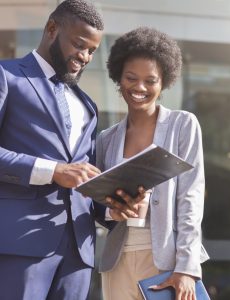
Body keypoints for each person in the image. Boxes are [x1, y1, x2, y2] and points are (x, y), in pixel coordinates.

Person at [0, 1, 104, 299]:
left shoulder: (88, 105)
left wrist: (114, 204)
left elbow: (86, 175)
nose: (84, 57)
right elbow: (65, 172)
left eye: (92, 51)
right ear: (51, 29)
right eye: (79, 45)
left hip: (78, 252)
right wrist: (54, 171)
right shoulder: (7, 76)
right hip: (19, 243)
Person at [96, 26, 209, 300]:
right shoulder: (106, 139)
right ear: (118, 79)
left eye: (151, 80)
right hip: (117, 262)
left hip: (166, 261)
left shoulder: (182, 125)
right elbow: (97, 205)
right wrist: (113, 212)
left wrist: (186, 267)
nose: (140, 88)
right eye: (131, 78)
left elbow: (190, 198)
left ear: (164, 82)